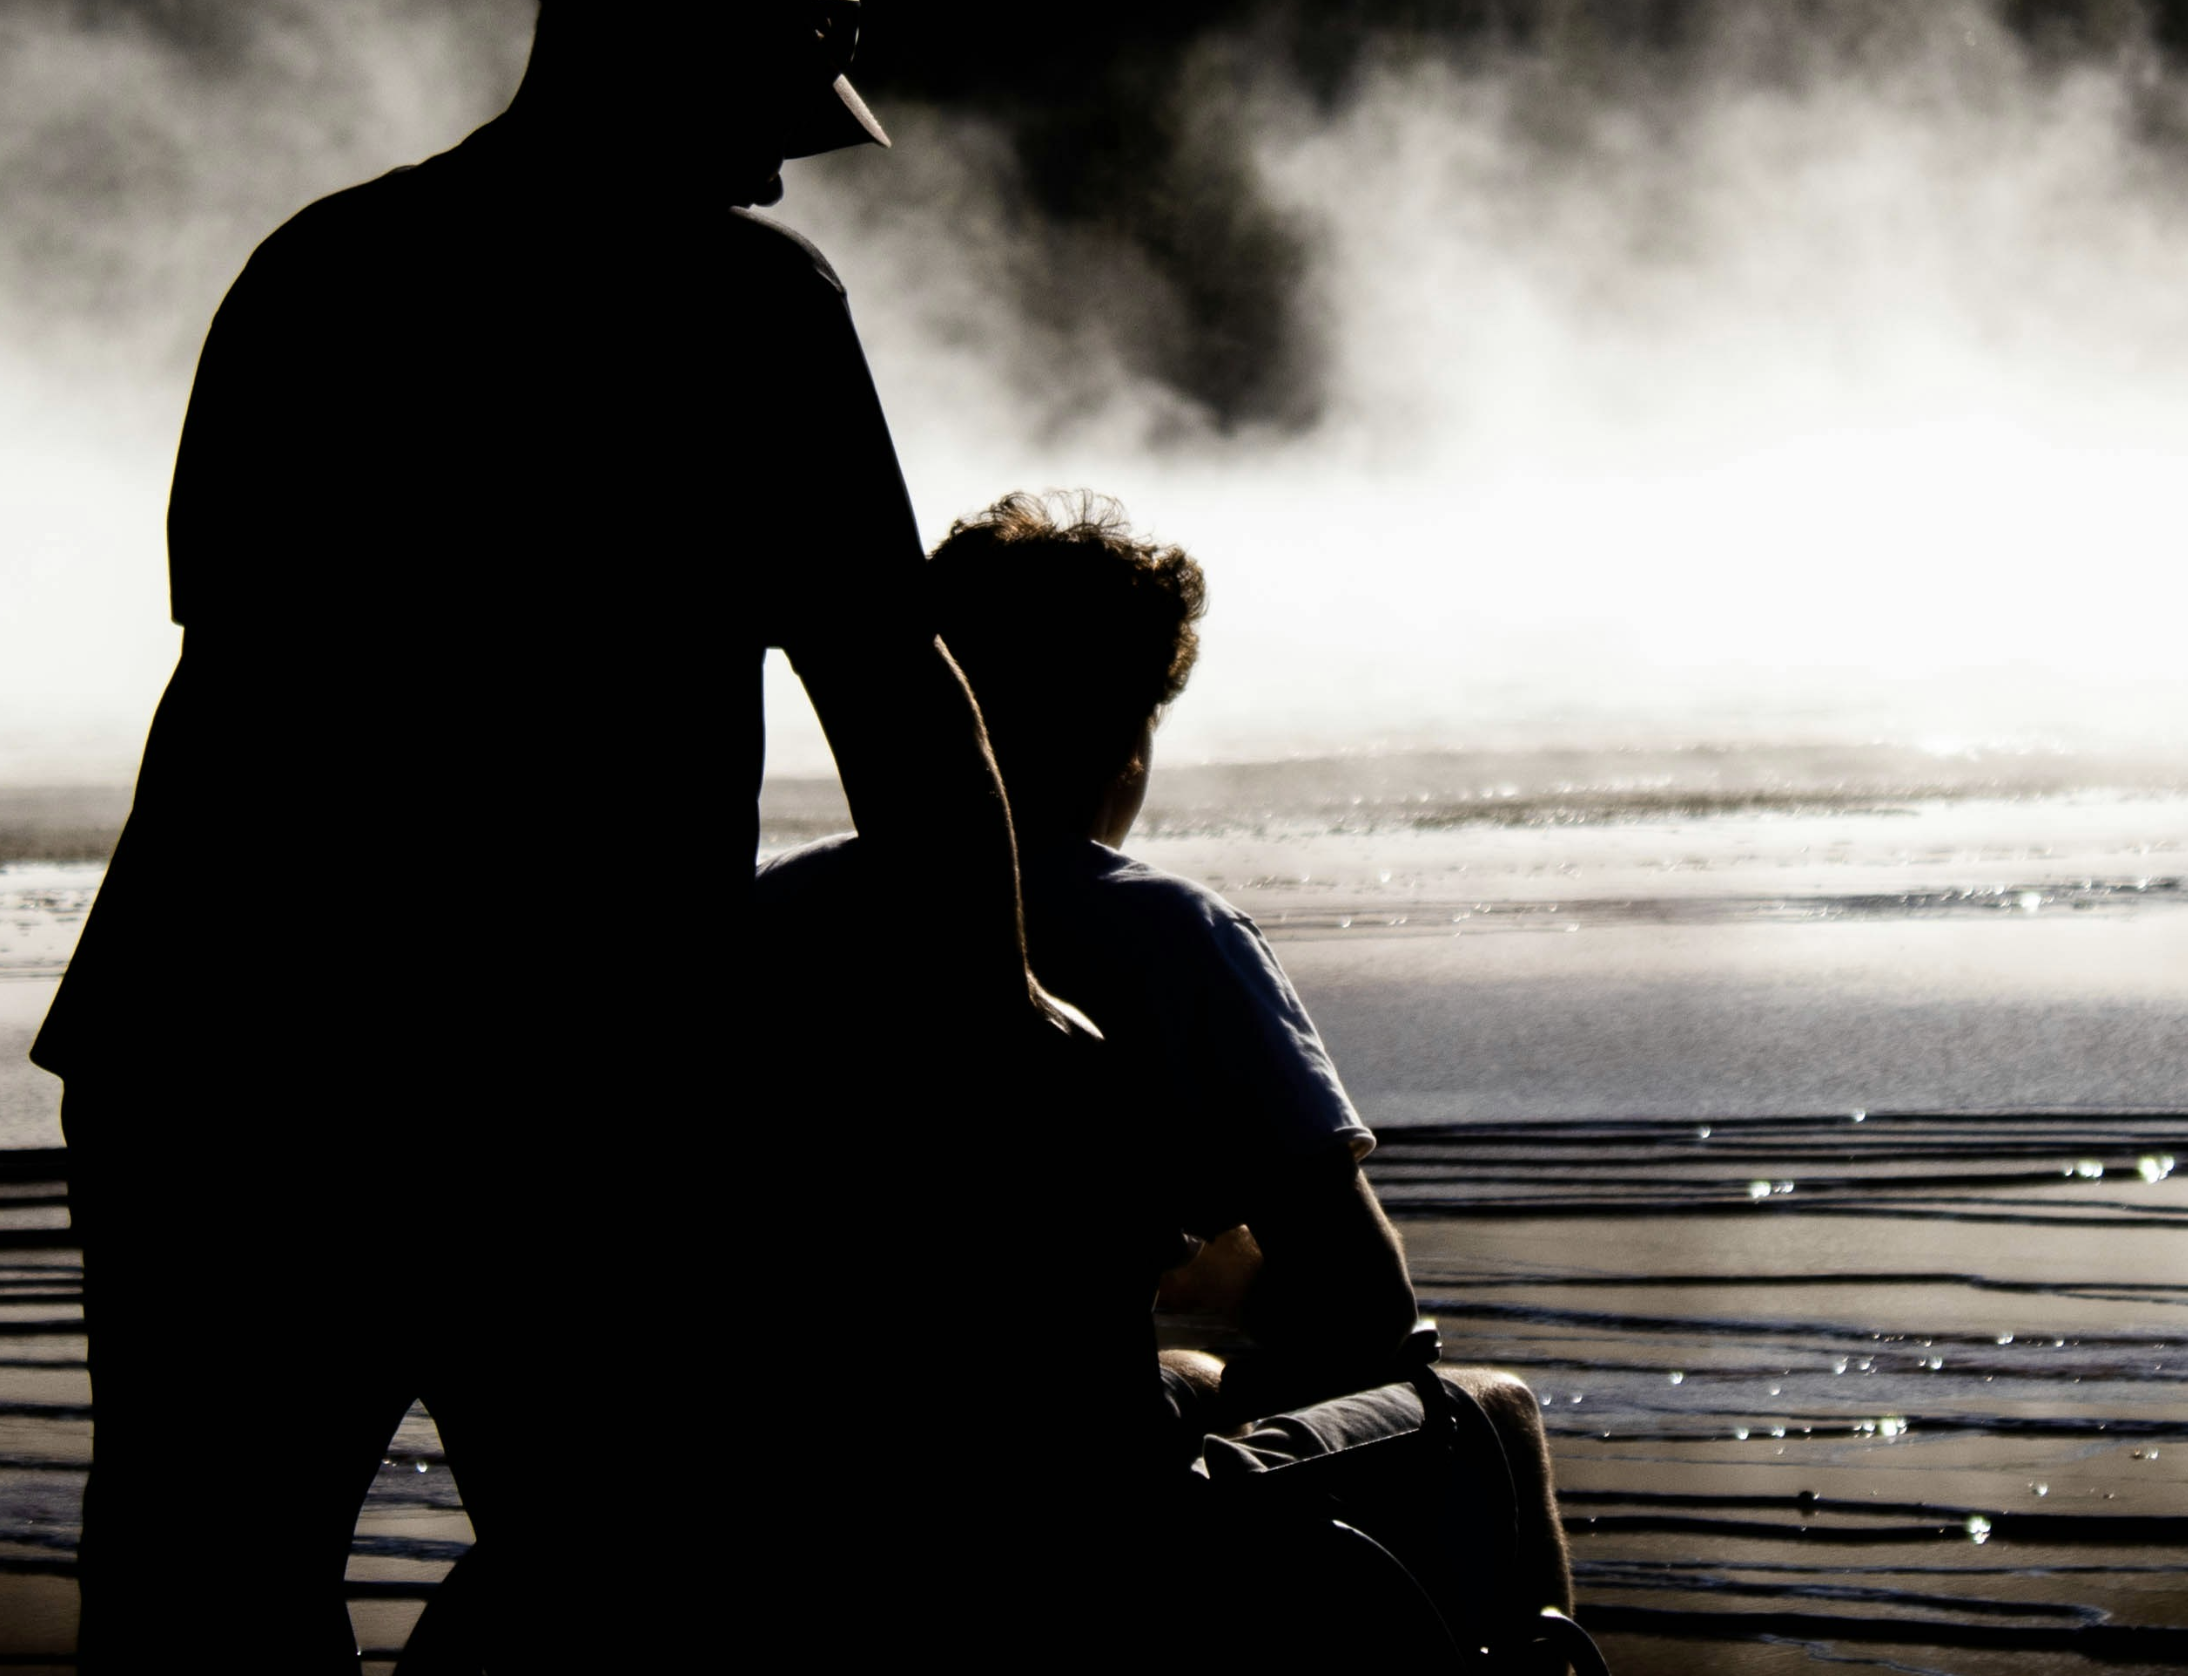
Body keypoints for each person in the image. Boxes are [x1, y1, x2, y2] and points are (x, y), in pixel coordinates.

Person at [35, 6, 1081, 1668]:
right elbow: (893, 694)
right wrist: (999, 1004)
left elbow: (239, 656)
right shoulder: (744, 309)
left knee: (204, 1585)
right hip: (553, 1083)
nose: (773, 172)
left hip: (207, 1055)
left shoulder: (320, 270)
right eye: (762, 118)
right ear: (662, 64)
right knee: (631, 1574)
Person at [754, 492, 1573, 1660]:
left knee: (1182, 1369)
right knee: (1490, 1411)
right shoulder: (1166, 933)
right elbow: (1362, 1295)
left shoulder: (778, 910)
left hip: (797, 1497)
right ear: (1127, 732)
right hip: (1079, 1528)